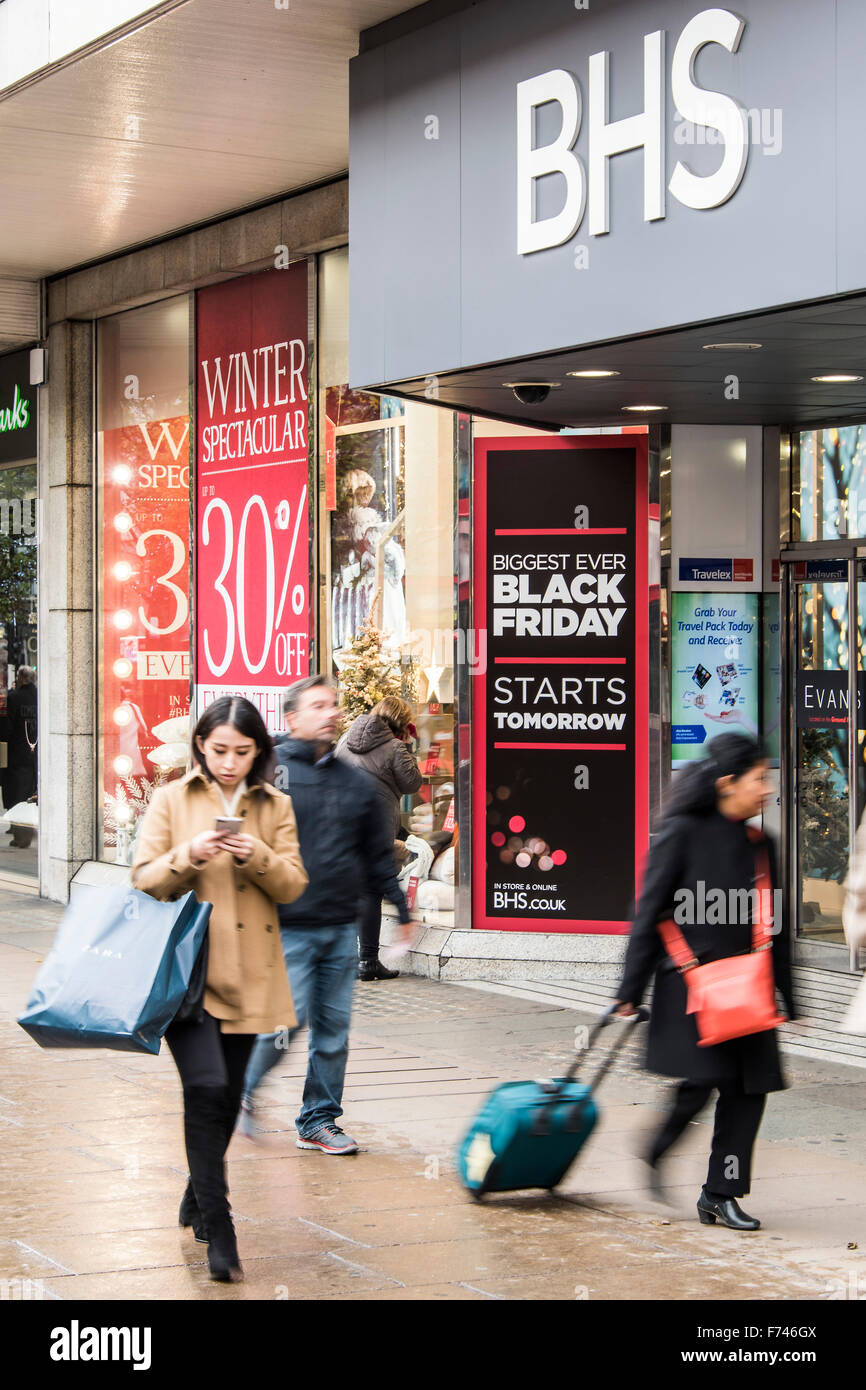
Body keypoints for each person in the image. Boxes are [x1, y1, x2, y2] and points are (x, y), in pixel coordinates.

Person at [131, 696, 308, 1282]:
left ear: (259, 752)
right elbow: (144, 878)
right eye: (218, 750)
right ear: (201, 747)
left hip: (253, 978)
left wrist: (255, 854)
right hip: (189, 980)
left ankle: (194, 1192)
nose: (229, 762)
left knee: (227, 1099)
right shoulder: (171, 799)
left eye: (242, 751)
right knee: (206, 1089)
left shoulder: (275, 804)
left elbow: (292, 886)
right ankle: (220, 1228)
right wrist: (190, 854)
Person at [613, 734, 796, 1232]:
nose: (766, 789)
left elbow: (773, 924)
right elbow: (648, 911)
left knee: (748, 1090)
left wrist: (788, 993)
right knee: (702, 1083)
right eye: (760, 779)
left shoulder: (761, 843)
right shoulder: (682, 832)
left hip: (750, 992)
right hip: (691, 988)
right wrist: (629, 990)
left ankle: (721, 1192)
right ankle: (659, 1144)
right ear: (726, 783)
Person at [241, 675, 413, 1153]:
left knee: (333, 1033)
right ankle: (242, 1090)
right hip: (287, 926)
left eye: (333, 705)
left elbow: (377, 854)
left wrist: (402, 909)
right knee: (286, 1024)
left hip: (339, 928)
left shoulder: (351, 780)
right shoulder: (270, 772)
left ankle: (318, 1120)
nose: (331, 712)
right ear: (292, 718)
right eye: (318, 705)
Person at [335, 695, 422, 980]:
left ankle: (346, 958)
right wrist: (409, 746)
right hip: (375, 824)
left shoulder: (346, 738)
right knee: (371, 890)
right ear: (401, 721)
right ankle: (368, 961)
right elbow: (412, 783)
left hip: (342, 823)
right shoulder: (396, 746)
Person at [4, 666, 37, 847]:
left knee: (17, 794)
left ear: (20, 679)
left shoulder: (14, 698)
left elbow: (7, 728)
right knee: (31, 793)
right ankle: (26, 833)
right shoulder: (40, 696)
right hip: (37, 754)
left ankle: (21, 836)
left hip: (17, 753)